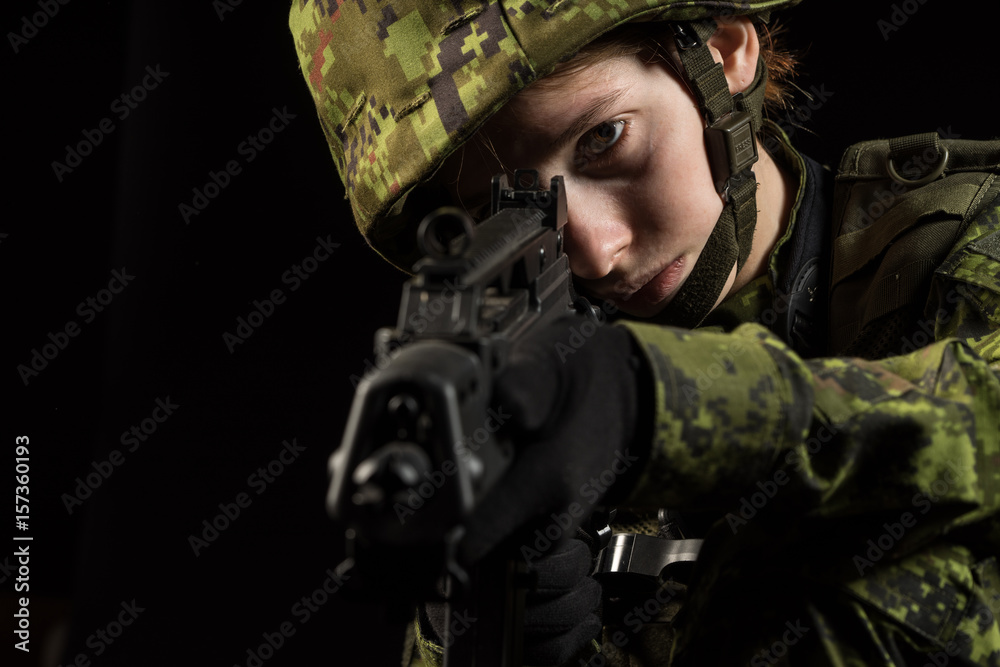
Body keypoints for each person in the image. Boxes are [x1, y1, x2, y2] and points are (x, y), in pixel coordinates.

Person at [288, 1, 1000, 665]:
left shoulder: (964, 237)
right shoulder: (524, 402)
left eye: (604, 139)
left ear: (723, 55)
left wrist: (643, 402)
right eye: (507, 211)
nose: (596, 250)